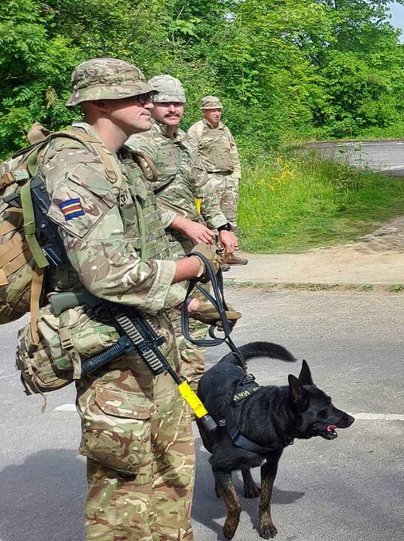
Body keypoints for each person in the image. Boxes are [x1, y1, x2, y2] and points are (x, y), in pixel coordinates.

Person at [39, 57, 216, 540]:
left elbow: (143, 221)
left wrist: (184, 236)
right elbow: (108, 274)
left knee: (173, 468)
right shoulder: (75, 165)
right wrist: (193, 267)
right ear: (98, 101)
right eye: (137, 96)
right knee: (125, 485)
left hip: (154, 339)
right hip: (112, 345)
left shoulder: (123, 160)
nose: (150, 103)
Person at [127, 74, 239, 384]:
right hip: (159, 246)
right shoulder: (139, 144)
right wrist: (182, 223)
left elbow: (203, 188)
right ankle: (175, 392)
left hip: (193, 245)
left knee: (199, 320)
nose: (172, 108)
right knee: (171, 324)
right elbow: (138, 201)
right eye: (165, 103)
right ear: (151, 104)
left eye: (178, 103)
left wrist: (223, 226)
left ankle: (191, 394)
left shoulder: (185, 143)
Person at [187, 95, 247, 265]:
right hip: (210, 180)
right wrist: (200, 180)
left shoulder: (225, 129)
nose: (217, 113)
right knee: (212, 220)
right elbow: (191, 156)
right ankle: (215, 257)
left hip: (228, 179)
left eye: (219, 110)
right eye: (213, 110)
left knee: (230, 220)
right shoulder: (197, 130)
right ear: (204, 112)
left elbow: (233, 152)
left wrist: (236, 175)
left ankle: (230, 253)